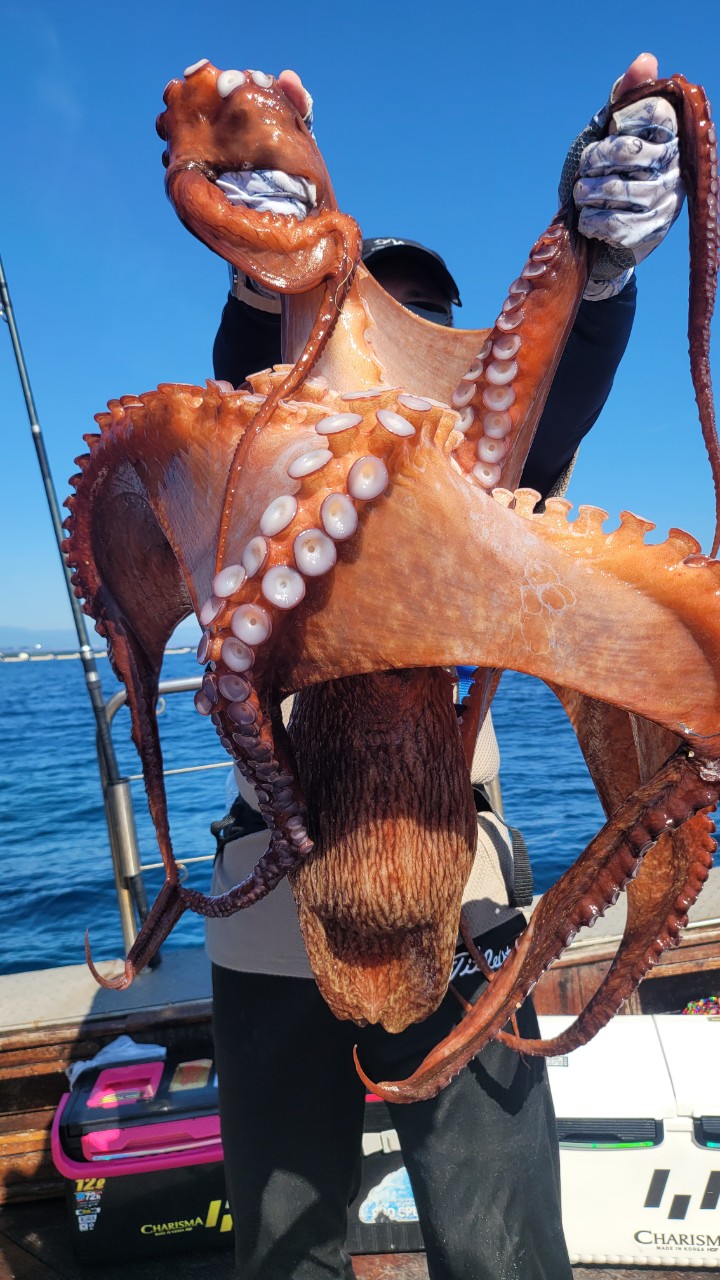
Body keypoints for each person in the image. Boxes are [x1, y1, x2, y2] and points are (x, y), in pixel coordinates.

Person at [207, 54, 684, 1280]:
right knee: (283, 1252)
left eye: (430, 315)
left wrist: (602, 270)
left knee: (503, 1245)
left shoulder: (490, 492)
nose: (395, 340)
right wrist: (266, 262)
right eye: (369, 306)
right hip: (270, 911)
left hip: (459, 899)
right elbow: (245, 385)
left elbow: (551, 398)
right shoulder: (267, 473)